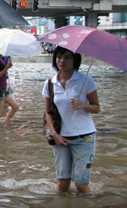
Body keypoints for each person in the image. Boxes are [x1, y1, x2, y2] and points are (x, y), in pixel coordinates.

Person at [43, 46, 100, 194]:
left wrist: (83, 105)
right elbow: (48, 112)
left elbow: (97, 108)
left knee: (81, 185)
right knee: (62, 185)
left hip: (84, 138)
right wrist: (54, 134)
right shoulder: (50, 83)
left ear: (75, 60)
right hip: (61, 138)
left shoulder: (86, 80)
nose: (62, 61)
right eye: (59, 57)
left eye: (67, 57)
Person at [0, 52, 18, 123]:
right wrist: (7, 67)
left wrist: (4, 75)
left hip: (2, 88)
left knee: (15, 107)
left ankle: (6, 122)